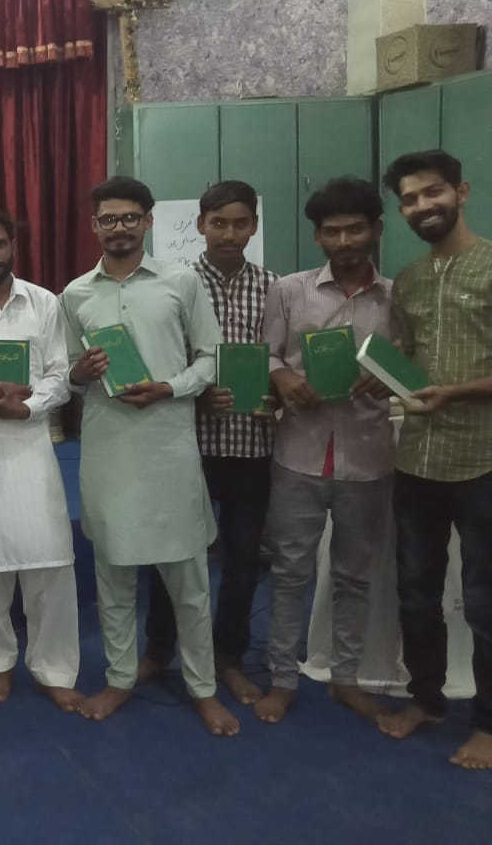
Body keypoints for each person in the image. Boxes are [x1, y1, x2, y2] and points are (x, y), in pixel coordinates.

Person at [60, 176, 239, 737]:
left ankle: (203, 688)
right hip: (108, 451)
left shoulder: (180, 281)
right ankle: (119, 678)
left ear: (148, 221)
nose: (119, 227)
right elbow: (64, 374)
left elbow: (211, 356)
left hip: (168, 449)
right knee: (113, 576)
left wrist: (169, 388)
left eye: (129, 217)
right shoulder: (75, 294)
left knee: (189, 580)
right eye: (108, 219)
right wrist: (79, 373)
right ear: (95, 226)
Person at [253, 178, 395, 725]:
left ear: (376, 230)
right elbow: (266, 355)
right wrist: (283, 378)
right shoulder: (289, 290)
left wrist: (390, 377)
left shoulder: (396, 297)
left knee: (354, 576)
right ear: (317, 236)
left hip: (369, 457)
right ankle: (283, 679)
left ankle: (346, 679)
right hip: (300, 454)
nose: (344, 240)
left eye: (355, 229)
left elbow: (412, 365)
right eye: (332, 231)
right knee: (290, 570)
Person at [141, 181, 278, 704]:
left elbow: (282, 359)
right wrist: (196, 396)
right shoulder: (173, 284)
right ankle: (159, 648)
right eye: (218, 223)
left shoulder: (274, 287)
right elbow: (160, 361)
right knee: (172, 556)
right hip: (187, 444)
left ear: (254, 227)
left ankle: (229, 658)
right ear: (200, 225)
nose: (228, 233)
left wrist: (276, 393)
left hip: (252, 445)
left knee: (243, 561)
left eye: (240, 223)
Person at [378, 150, 492, 770]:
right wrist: (384, 375)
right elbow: (409, 359)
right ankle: (427, 701)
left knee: (484, 602)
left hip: (483, 461)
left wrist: (454, 392)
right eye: (410, 199)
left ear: (461, 191)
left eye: (432, 193)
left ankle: (488, 725)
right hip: (417, 460)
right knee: (417, 594)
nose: (422, 206)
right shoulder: (409, 280)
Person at [0, 211, 81, 711]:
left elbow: (60, 374)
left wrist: (27, 407)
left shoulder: (45, 302)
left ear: (13, 247)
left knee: (50, 560)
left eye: (0, 244)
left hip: (30, 444)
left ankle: (54, 669)